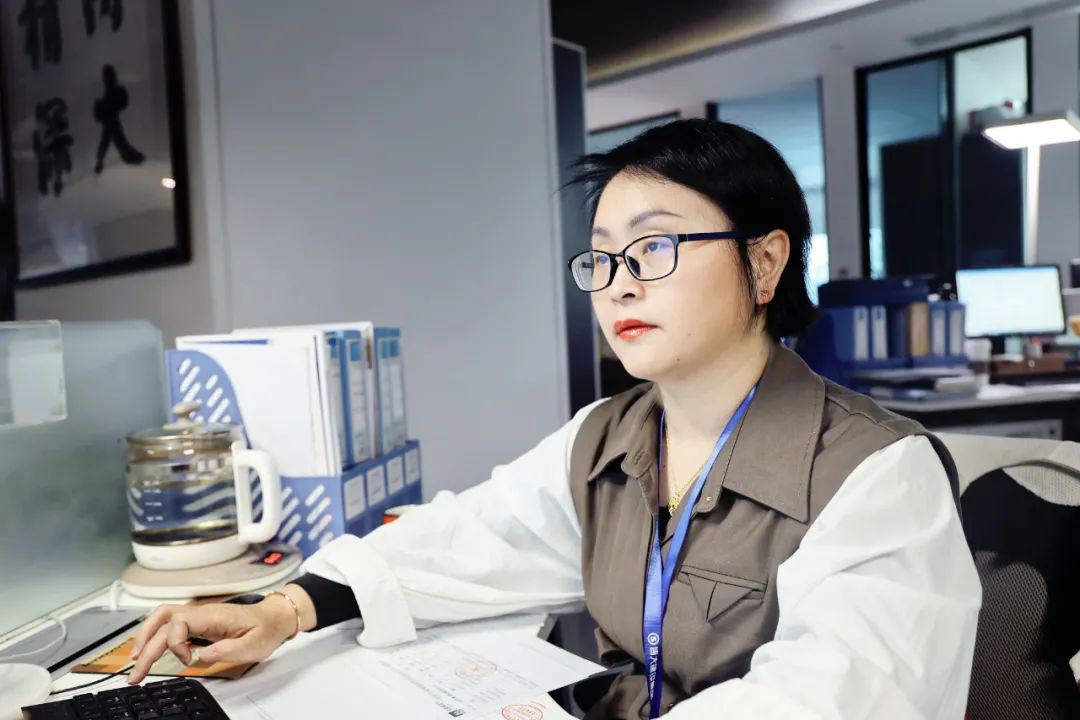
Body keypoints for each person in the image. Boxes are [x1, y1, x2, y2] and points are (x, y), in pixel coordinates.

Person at [128, 120, 982, 719]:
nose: (619, 283)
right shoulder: (608, 436)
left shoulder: (878, 473)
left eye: (653, 247)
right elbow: (468, 540)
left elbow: (829, 700)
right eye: (602, 257)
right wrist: (284, 609)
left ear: (764, 263)